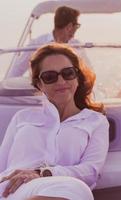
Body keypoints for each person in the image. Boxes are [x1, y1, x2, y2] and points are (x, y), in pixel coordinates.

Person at [0, 43, 109, 199]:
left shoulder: (96, 122)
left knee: (77, 189)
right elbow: (1, 164)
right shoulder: (22, 117)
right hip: (14, 189)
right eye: (50, 77)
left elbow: (91, 171)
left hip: (63, 187)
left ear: (77, 78)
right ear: (39, 84)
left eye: (68, 73)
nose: (61, 81)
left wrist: (44, 173)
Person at [6, 6, 90, 78]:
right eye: (77, 26)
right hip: (41, 95)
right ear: (69, 26)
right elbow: (17, 71)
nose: (76, 29)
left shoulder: (77, 46)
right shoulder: (37, 44)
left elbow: (88, 72)